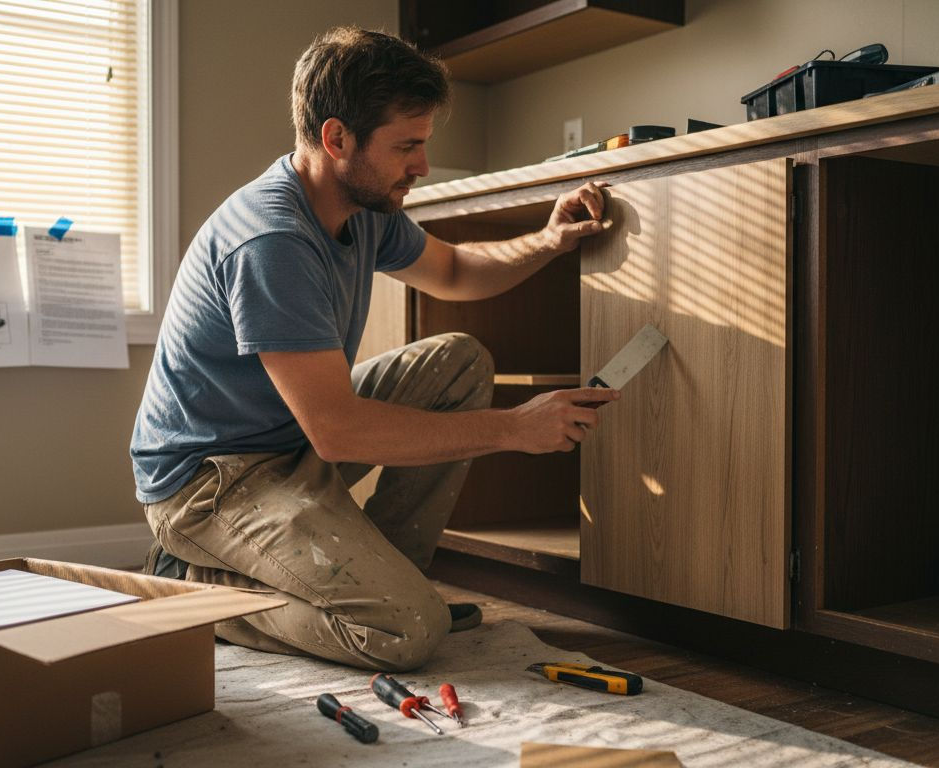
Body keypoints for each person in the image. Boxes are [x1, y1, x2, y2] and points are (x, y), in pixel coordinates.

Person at [130, 26, 617, 672]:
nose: (421, 166)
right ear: (337, 140)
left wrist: (549, 240)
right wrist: (514, 429)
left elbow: (455, 271)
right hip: (211, 482)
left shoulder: (363, 210)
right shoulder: (271, 240)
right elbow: (336, 432)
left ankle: (379, 575)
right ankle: (196, 588)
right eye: (407, 147)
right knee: (407, 632)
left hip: (287, 444)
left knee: (460, 364)